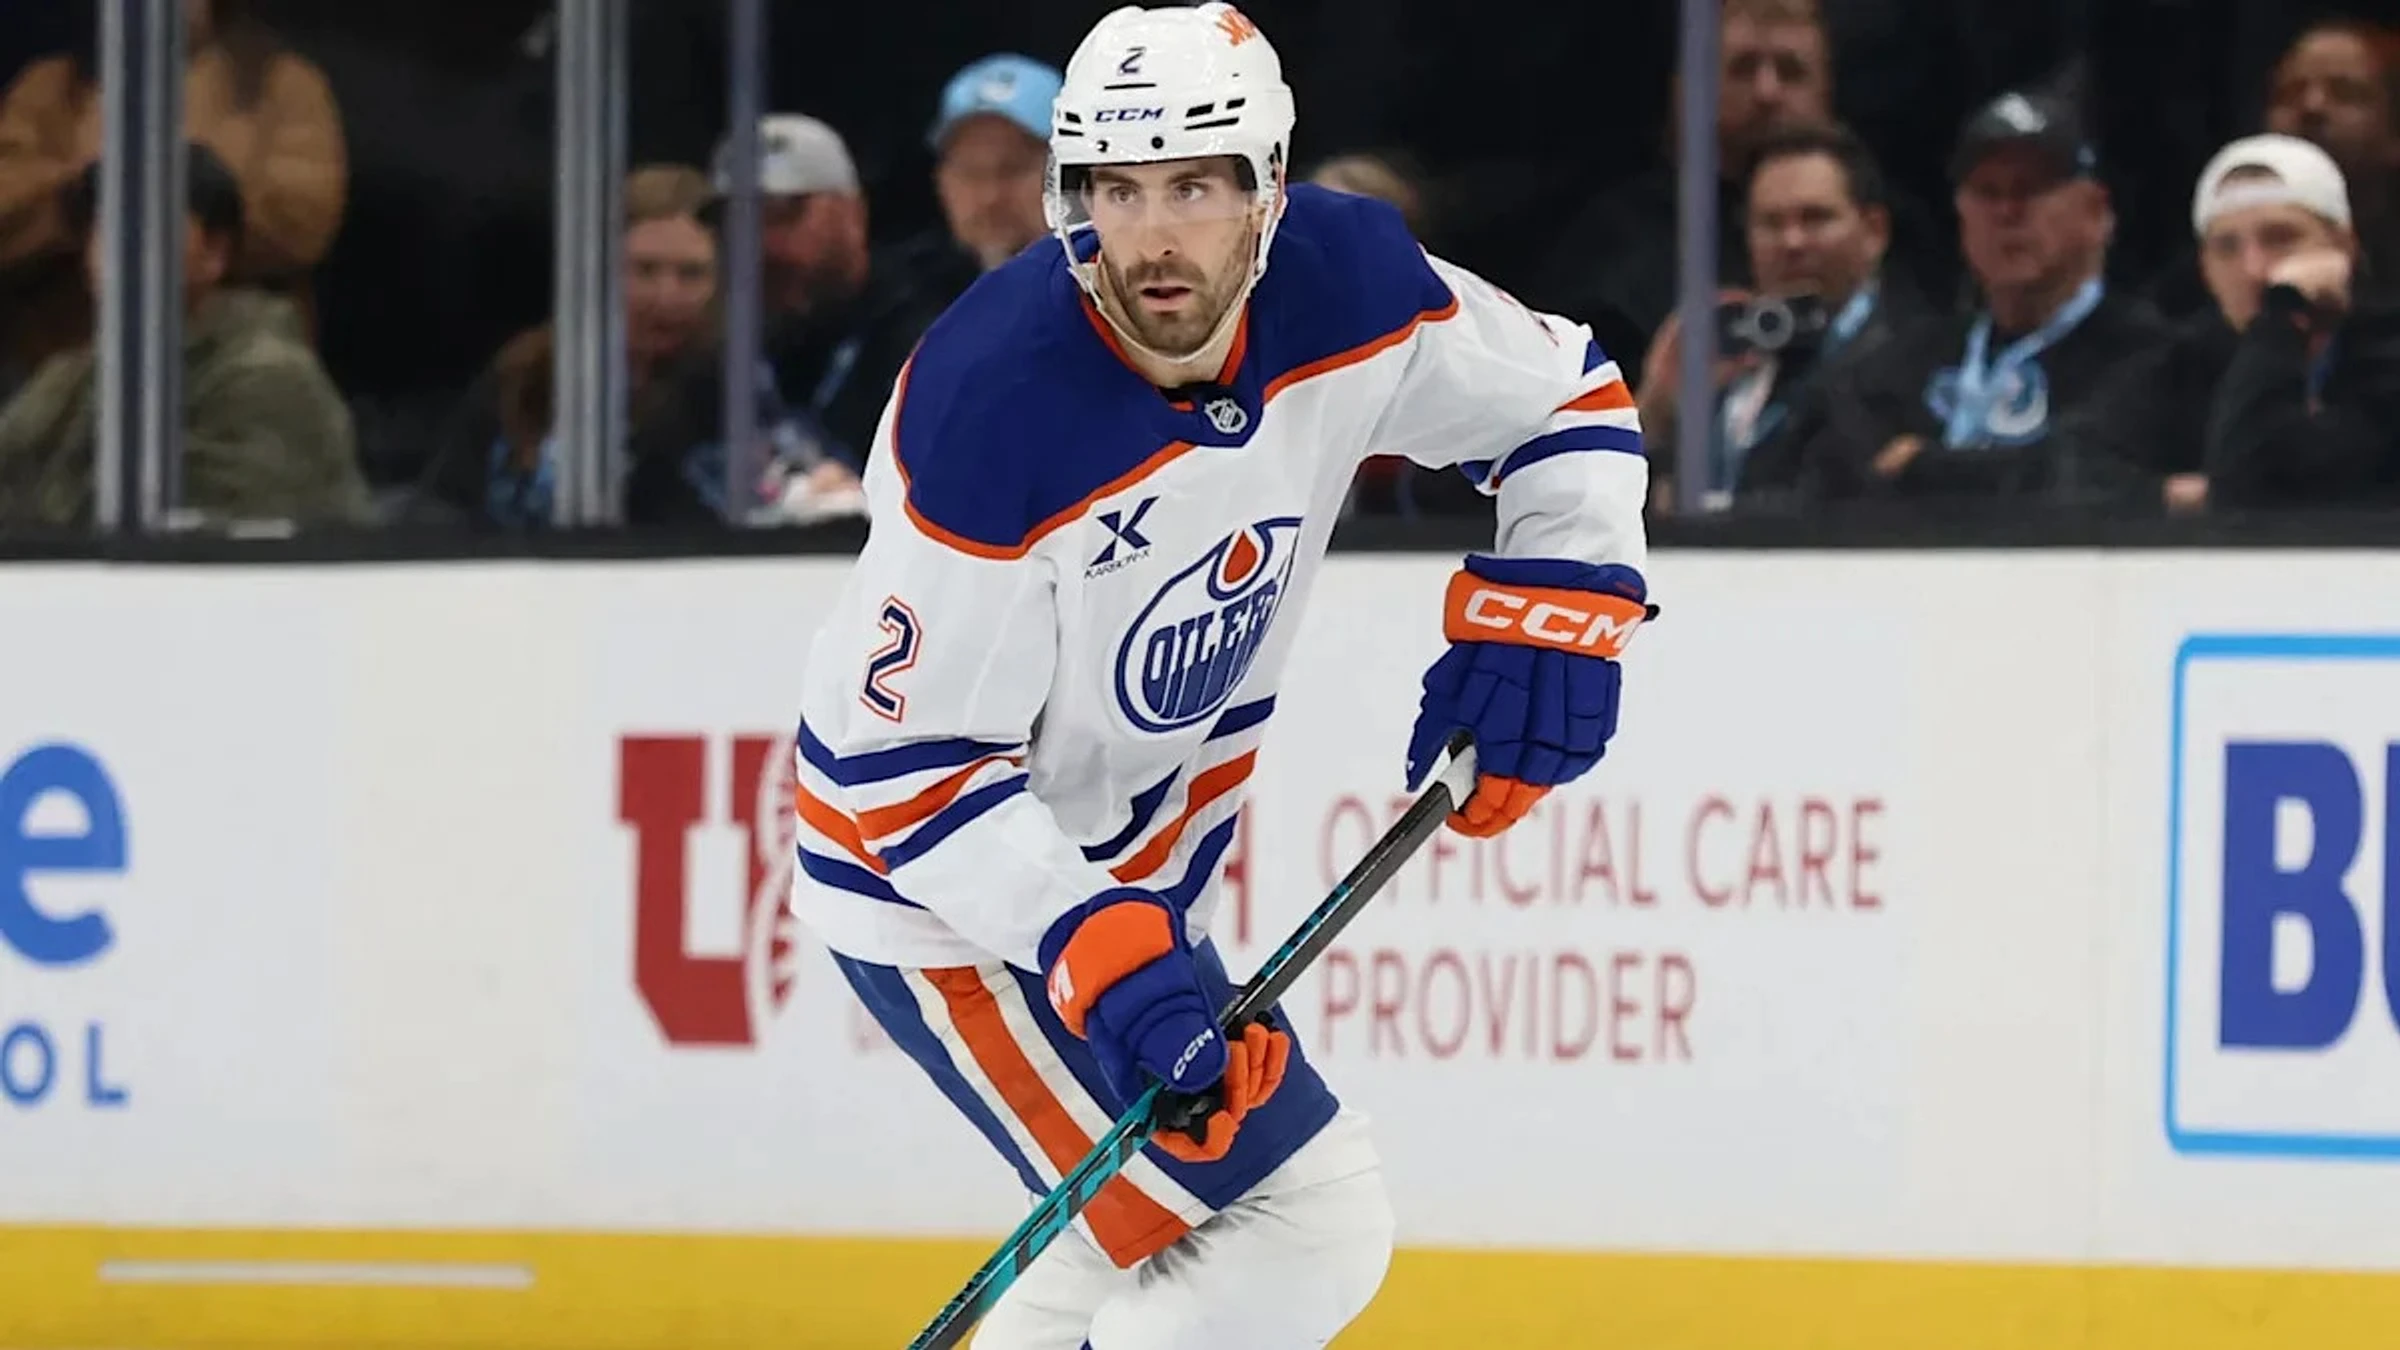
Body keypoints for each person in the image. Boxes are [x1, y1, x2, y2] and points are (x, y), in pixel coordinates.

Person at [783, 5, 1653, 1346]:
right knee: (1298, 1220)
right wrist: (1092, 942)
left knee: (1147, 1241)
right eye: (1118, 191)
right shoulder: (989, 408)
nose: (1154, 237)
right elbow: (909, 778)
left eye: (1194, 185)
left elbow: (1564, 397)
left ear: (1268, 187)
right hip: (950, 901)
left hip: (1128, 870)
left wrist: (1557, 603)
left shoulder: (1348, 282)